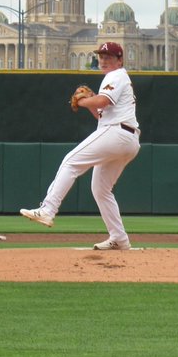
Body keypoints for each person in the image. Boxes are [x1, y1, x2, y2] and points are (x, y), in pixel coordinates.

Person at [20, 42, 140, 250]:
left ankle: (48, 210)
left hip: (117, 133)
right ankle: (119, 239)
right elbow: (101, 112)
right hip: (127, 138)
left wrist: (85, 101)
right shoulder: (117, 79)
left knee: (70, 162)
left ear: (119, 60)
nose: (103, 60)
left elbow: (102, 102)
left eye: (109, 57)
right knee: (101, 189)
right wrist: (90, 102)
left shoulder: (116, 75)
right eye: (101, 56)